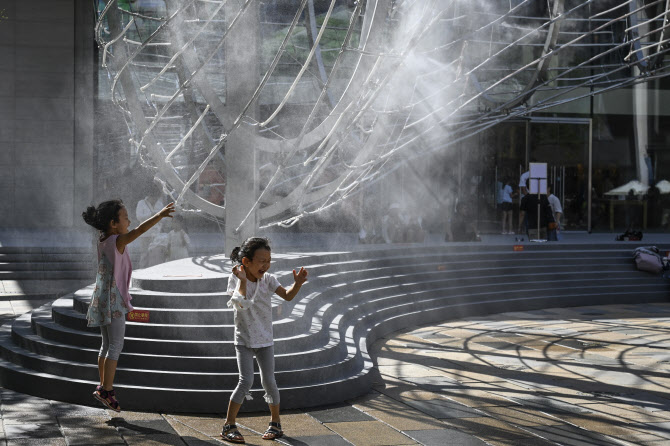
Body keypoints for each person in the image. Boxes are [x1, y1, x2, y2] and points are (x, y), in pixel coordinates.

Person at [82, 199, 175, 412]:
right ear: (114, 223)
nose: (129, 220)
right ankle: (107, 390)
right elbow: (140, 230)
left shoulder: (103, 238)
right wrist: (159, 216)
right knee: (115, 345)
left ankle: (103, 387)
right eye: (125, 218)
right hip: (114, 299)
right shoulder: (117, 240)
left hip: (103, 297)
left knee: (106, 344)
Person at [222, 237, 308, 443]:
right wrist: (243, 280)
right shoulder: (235, 278)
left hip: (265, 339)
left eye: (268, 260)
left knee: (269, 381)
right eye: (261, 260)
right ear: (246, 262)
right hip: (243, 339)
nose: (266, 265)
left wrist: (297, 284)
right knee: (246, 381)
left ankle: (275, 424)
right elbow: (240, 304)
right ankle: (229, 425)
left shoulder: (268, 279)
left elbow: (287, 296)